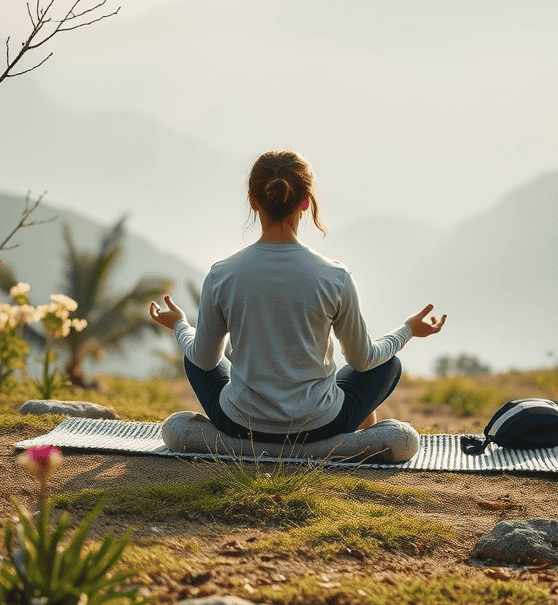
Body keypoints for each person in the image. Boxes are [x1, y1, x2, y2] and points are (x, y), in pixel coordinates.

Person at [149, 149, 446, 444]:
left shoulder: (222, 274)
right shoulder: (335, 277)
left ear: (253, 201)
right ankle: (342, 443)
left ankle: (242, 446)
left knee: (194, 354)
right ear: (306, 202)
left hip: (241, 425)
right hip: (317, 426)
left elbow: (204, 358)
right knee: (388, 364)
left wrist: (179, 325)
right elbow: (364, 359)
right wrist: (407, 330)